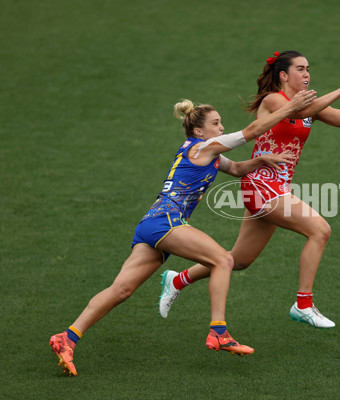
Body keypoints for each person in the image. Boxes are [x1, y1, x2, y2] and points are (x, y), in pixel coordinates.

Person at [48, 89, 318, 376]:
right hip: (167, 222)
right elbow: (251, 131)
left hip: (151, 224)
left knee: (121, 290)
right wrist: (289, 110)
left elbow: (237, 168)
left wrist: (262, 161)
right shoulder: (202, 147)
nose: (222, 127)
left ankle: (68, 337)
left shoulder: (205, 153)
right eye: (216, 123)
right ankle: (219, 331)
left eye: (221, 123)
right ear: (199, 129)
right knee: (223, 260)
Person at [158, 50, 340, 329]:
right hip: (261, 185)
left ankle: (177, 279)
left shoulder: (311, 106)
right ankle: (303, 304)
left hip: (276, 188)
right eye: (300, 68)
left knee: (239, 261)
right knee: (320, 230)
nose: (307, 74)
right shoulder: (273, 99)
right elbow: (301, 110)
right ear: (284, 75)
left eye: (308, 68)